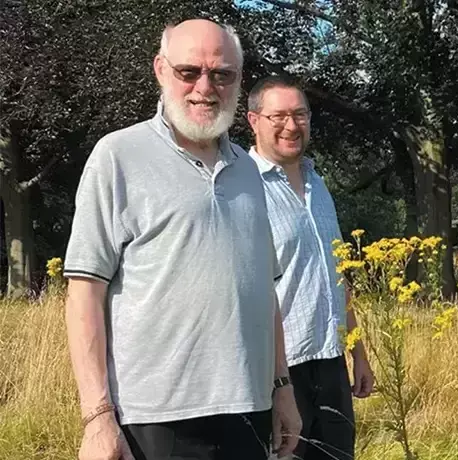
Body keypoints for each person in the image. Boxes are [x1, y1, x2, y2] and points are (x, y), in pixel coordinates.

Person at [63, 19, 301, 460]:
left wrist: (282, 389)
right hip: (154, 420)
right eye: (188, 72)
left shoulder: (248, 171)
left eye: (222, 74)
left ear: (238, 79)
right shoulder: (117, 156)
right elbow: (84, 294)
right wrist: (97, 417)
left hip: (249, 411)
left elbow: (261, 289)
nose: (204, 87)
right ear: (160, 69)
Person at [245, 75, 375, 460]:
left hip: (331, 361)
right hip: (280, 372)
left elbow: (334, 274)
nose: (292, 125)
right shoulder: (244, 188)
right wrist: (277, 379)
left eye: (300, 114)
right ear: (254, 120)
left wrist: (358, 351)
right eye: (279, 116)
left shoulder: (318, 183)